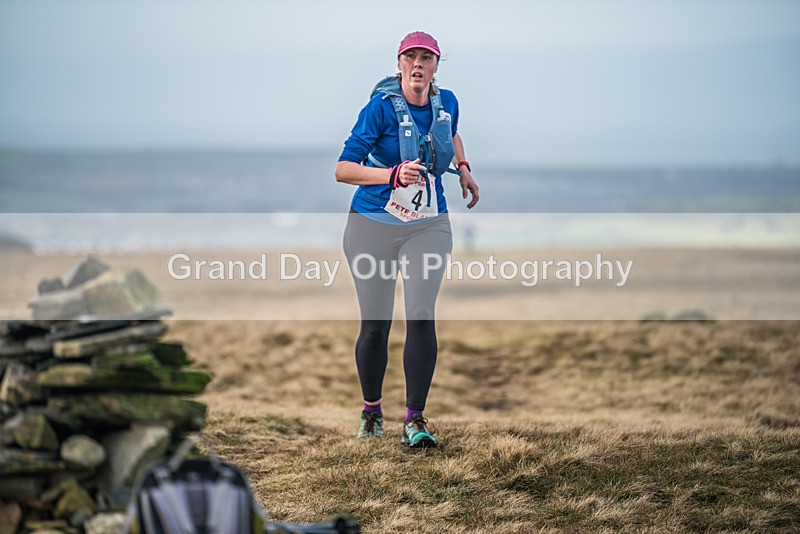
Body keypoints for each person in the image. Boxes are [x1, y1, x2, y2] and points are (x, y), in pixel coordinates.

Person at [335, 31, 479, 448]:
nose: (418, 64)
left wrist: (464, 166)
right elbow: (343, 169)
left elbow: (449, 133)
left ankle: (415, 420)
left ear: (436, 66)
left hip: (428, 224)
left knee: (420, 313)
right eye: (410, 57)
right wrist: (391, 175)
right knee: (376, 325)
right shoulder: (378, 109)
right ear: (399, 64)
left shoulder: (447, 100)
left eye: (427, 58)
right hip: (371, 223)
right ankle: (371, 411)